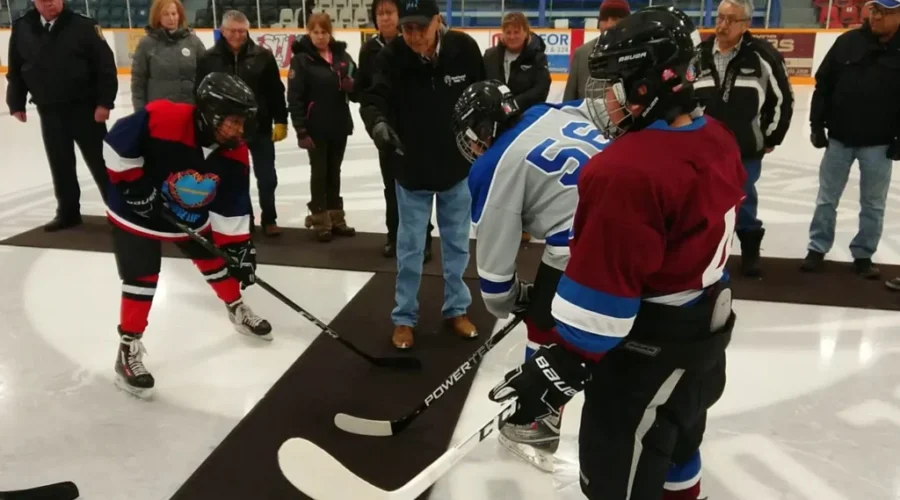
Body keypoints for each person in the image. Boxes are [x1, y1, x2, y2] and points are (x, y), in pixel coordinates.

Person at [487, 8, 746, 500]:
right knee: (677, 449)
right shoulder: (716, 136)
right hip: (705, 343)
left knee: (618, 479)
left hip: (648, 358)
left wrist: (560, 362)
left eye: (617, 84)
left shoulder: (625, 171)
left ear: (652, 84)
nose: (605, 99)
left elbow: (598, 311)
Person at [455, 80, 610, 471]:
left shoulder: (492, 166)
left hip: (585, 245)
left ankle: (535, 419)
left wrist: (512, 299)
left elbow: (493, 276)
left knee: (545, 325)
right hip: (639, 224)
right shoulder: (548, 110)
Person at [103, 72, 272, 399]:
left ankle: (236, 307)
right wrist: (136, 186)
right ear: (210, 113)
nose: (238, 130)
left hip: (187, 211)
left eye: (242, 122)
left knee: (215, 261)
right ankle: (128, 348)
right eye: (232, 121)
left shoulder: (235, 152)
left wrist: (239, 250)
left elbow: (234, 203)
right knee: (143, 277)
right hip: (135, 211)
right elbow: (116, 145)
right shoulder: (164, 117)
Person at [359, 0, 486, 349]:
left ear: (438, 22)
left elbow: (483, 94)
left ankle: (456, 309)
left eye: (420, 27)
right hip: (410, 168)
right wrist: (378, 124)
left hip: (456, 167)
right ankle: (404, 317)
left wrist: (487, 133)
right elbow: (373, 99)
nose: (413, 36)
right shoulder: (390, 56)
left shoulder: (464, 49)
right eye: (407, 28)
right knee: (411, 249)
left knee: (458, 247)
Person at [694, 0, 793, 278]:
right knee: (704, 205)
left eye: (730, 19)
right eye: (720, 17)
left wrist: (772, 135)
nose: (722, 24)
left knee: (743, 200)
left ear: (745, 24)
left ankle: (750, 252)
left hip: (745, 149)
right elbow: (685, 97)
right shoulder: (698, 54)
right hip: (704, 150)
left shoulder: (763, 56)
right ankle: (706, 255)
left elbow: (782, 99)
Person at [805, 0, 900, 281]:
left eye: (884, 12)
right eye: (874, 10)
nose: (876, 16)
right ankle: (816, 249)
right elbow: (823, 85)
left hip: (880, 144)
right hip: (839, 139)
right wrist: (816, 124)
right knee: (826, 199)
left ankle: (863, 254)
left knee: (873, 204)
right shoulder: (847, 42)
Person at [5, 0, 117, 232]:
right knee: (60, 164)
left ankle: (119, 213)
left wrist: (104, 102)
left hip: (85, 109)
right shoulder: (22, 27)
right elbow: (17, 69)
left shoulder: (83, 26)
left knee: (101, 163)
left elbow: (105, 66)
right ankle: (68, 213)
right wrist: (15, 102)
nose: (49, 3)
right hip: (49, 109)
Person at [195, 10, 289, 237]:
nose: (237, 35)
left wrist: (281, 120)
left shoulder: (263, 57)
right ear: (223, 31)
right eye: (232, 31)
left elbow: (275, 91)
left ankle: (270, 217)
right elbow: (200, 94)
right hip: (225, 131)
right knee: (236, 178)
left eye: (241, 31)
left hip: (260, 126)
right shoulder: (209, 59)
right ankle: (244, 218)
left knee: (267, 177)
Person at [357, 0, 434, 258]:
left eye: (389, 13)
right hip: (385, 128)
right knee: (391, 185)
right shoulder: (369, 49)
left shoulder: (411, 43)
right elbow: (365, 90)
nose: (385, 18)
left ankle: (423, 238)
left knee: (420, 186)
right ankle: (394, 235)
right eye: (380, 13)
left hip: (415, 125)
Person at [287, 13, 358, 242]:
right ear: (309, 32)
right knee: (319, 172)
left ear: (330, 33)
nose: (320, 36)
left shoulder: (342, 56)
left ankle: (336, 217)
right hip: (315, 127)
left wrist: (352, 86)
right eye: (315, 32)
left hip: (338, 125)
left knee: (334, 171)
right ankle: (320, 218)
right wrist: (301, 130)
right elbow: (295, 97)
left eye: (324, 32)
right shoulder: (301, 60)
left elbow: (357, 88)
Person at [482, 12, 551, 244]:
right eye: (508, 31)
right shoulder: (490, 56)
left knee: (521, 176)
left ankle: (522, 224)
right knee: (495, 173)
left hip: (524, 124)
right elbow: (482, 85)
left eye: (517, 31)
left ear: (526, 32)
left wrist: (511, 106)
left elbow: (541, 89)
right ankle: (493, 220)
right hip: (496, 126)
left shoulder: (537, 57)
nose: (512, 36)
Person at [130, 0, 207, 111]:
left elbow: (205, 74)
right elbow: (138, 82)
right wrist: (140, 113)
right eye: (166, 14)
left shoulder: (193, 42)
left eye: (174, 14)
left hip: (189, 111)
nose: (171, 18)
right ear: (157, 16)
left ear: (179, 15)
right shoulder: (146, 44)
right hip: (159, 112)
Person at [563, 0, 630, 101]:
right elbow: (568, 103)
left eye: (615, 19)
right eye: (604, 19)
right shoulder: (581, 54)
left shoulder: (638, 53)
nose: (609, 25)